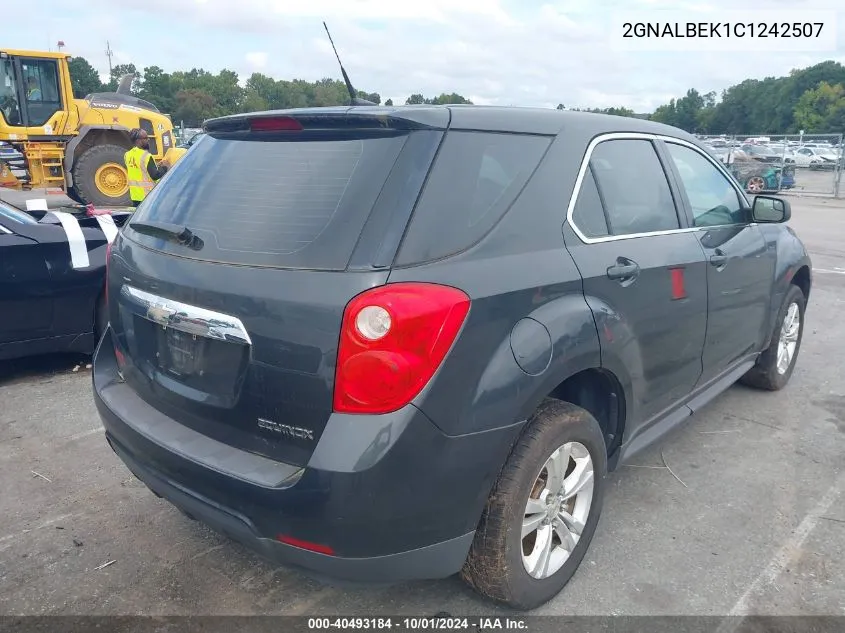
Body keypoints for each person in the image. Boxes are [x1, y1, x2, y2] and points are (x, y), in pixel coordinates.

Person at [124, 128, 168, 207]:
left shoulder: (127, 155)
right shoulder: (146, 156)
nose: (148, 140)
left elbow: (140, 169)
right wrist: (165, 167)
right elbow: (155, 176)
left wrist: (156, 166)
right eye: (145, 138)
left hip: (134, 195)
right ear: (138, 141)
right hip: (147, 195)